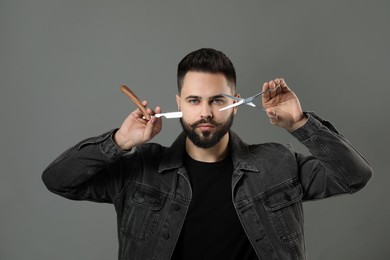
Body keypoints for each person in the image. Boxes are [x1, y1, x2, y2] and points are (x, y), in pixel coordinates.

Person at [42, 48, 372, 260]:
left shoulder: (278, 164)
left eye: (217, 100)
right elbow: (58, 180)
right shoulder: (141, 170)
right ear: (178, 104)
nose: (206, 113)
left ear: (236, 104)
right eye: (194, 101)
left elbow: (354, 177)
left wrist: (300, 123)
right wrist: (119, 141)